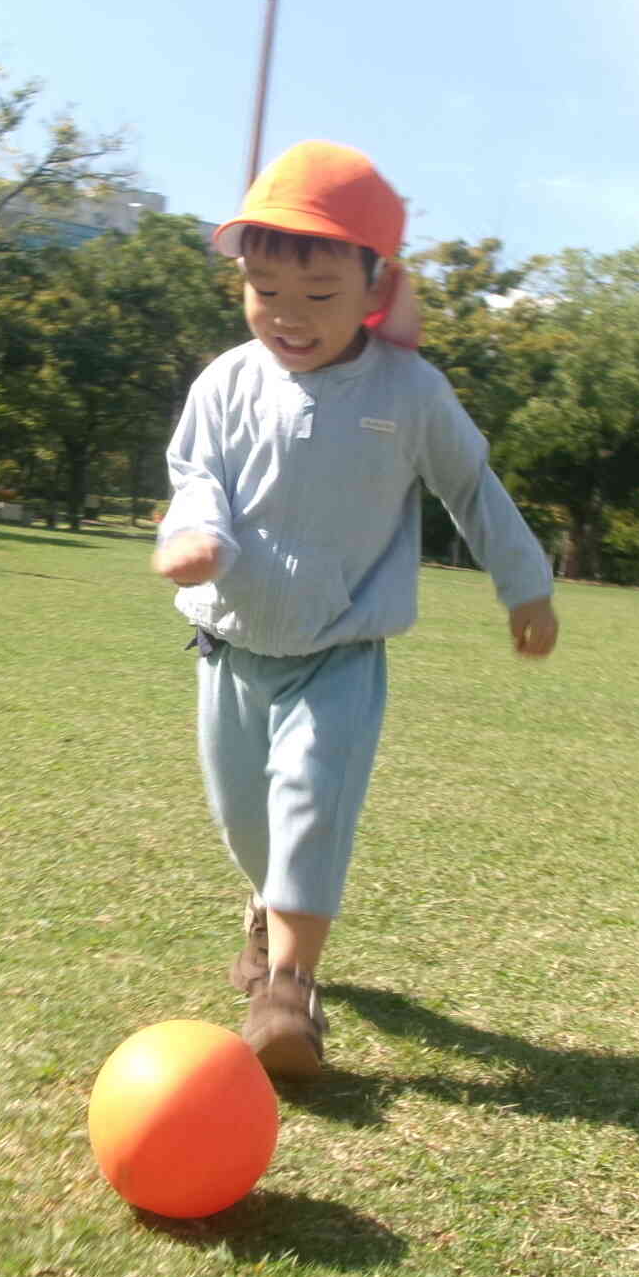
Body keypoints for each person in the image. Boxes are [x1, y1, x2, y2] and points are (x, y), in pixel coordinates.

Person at [152, 140, 559, 1078]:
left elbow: (472, 487)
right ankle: (262, 911)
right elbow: (194, 476)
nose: (288, 318)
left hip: (339, 653)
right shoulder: (224, 381)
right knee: (246, 822)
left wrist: (524, 583)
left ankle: (288, 994)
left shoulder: (408, 391)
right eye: (264, 291)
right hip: (228, 646)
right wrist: (192, 536)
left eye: (320, 296)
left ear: (375, 286)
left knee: (308, 806)